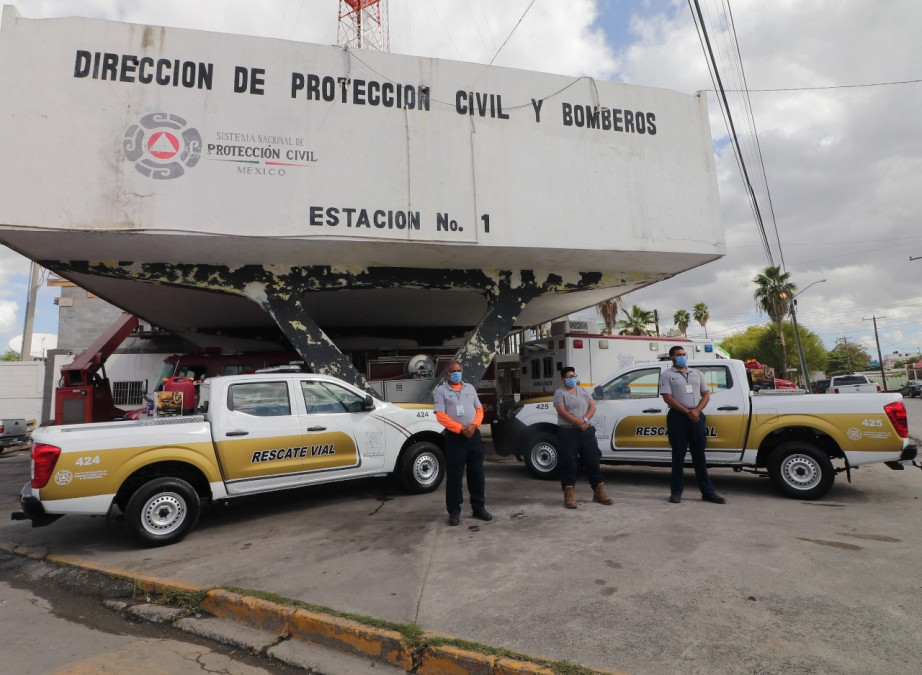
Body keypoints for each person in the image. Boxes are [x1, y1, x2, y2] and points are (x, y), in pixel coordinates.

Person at [658, 346, 726, 505]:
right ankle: (676, 492)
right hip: (677, 417)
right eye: (678, 355)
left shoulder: (697, 373)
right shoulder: (667, 375)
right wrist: (687, 411)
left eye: (683, 354)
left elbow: (706, 395)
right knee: (678, 457)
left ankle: (708, 492)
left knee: (699, 456)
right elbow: (667, 398)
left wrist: (696, 411)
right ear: (672, 358)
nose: (682, 357)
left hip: (697, 417)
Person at [433, 361, 491, 526]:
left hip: (473, 436)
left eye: (458, 371)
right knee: (454, 476)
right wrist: (460, 429)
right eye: (453, 371)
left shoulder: (470, 388)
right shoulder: (441, 391)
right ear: (447, 374)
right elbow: (440, 415)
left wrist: (473, 426)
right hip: (455, 438)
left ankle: (479, 507)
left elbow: (479, 409)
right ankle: (454, 511)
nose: (456, 374)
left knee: (477, 473)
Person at [552, 366, 613, 509]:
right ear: (563, 379)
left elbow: (592, 407)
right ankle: (569, 494)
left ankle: (598, 492)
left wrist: (584, 420)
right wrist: (576, 422)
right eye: (569, 377)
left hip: (586, 431)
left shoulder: (584, 391)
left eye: (574, 376)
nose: (572, 379)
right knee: (569, 463)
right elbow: (561, 411)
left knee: (593, 460)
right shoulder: (559, 393)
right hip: (567, 432)